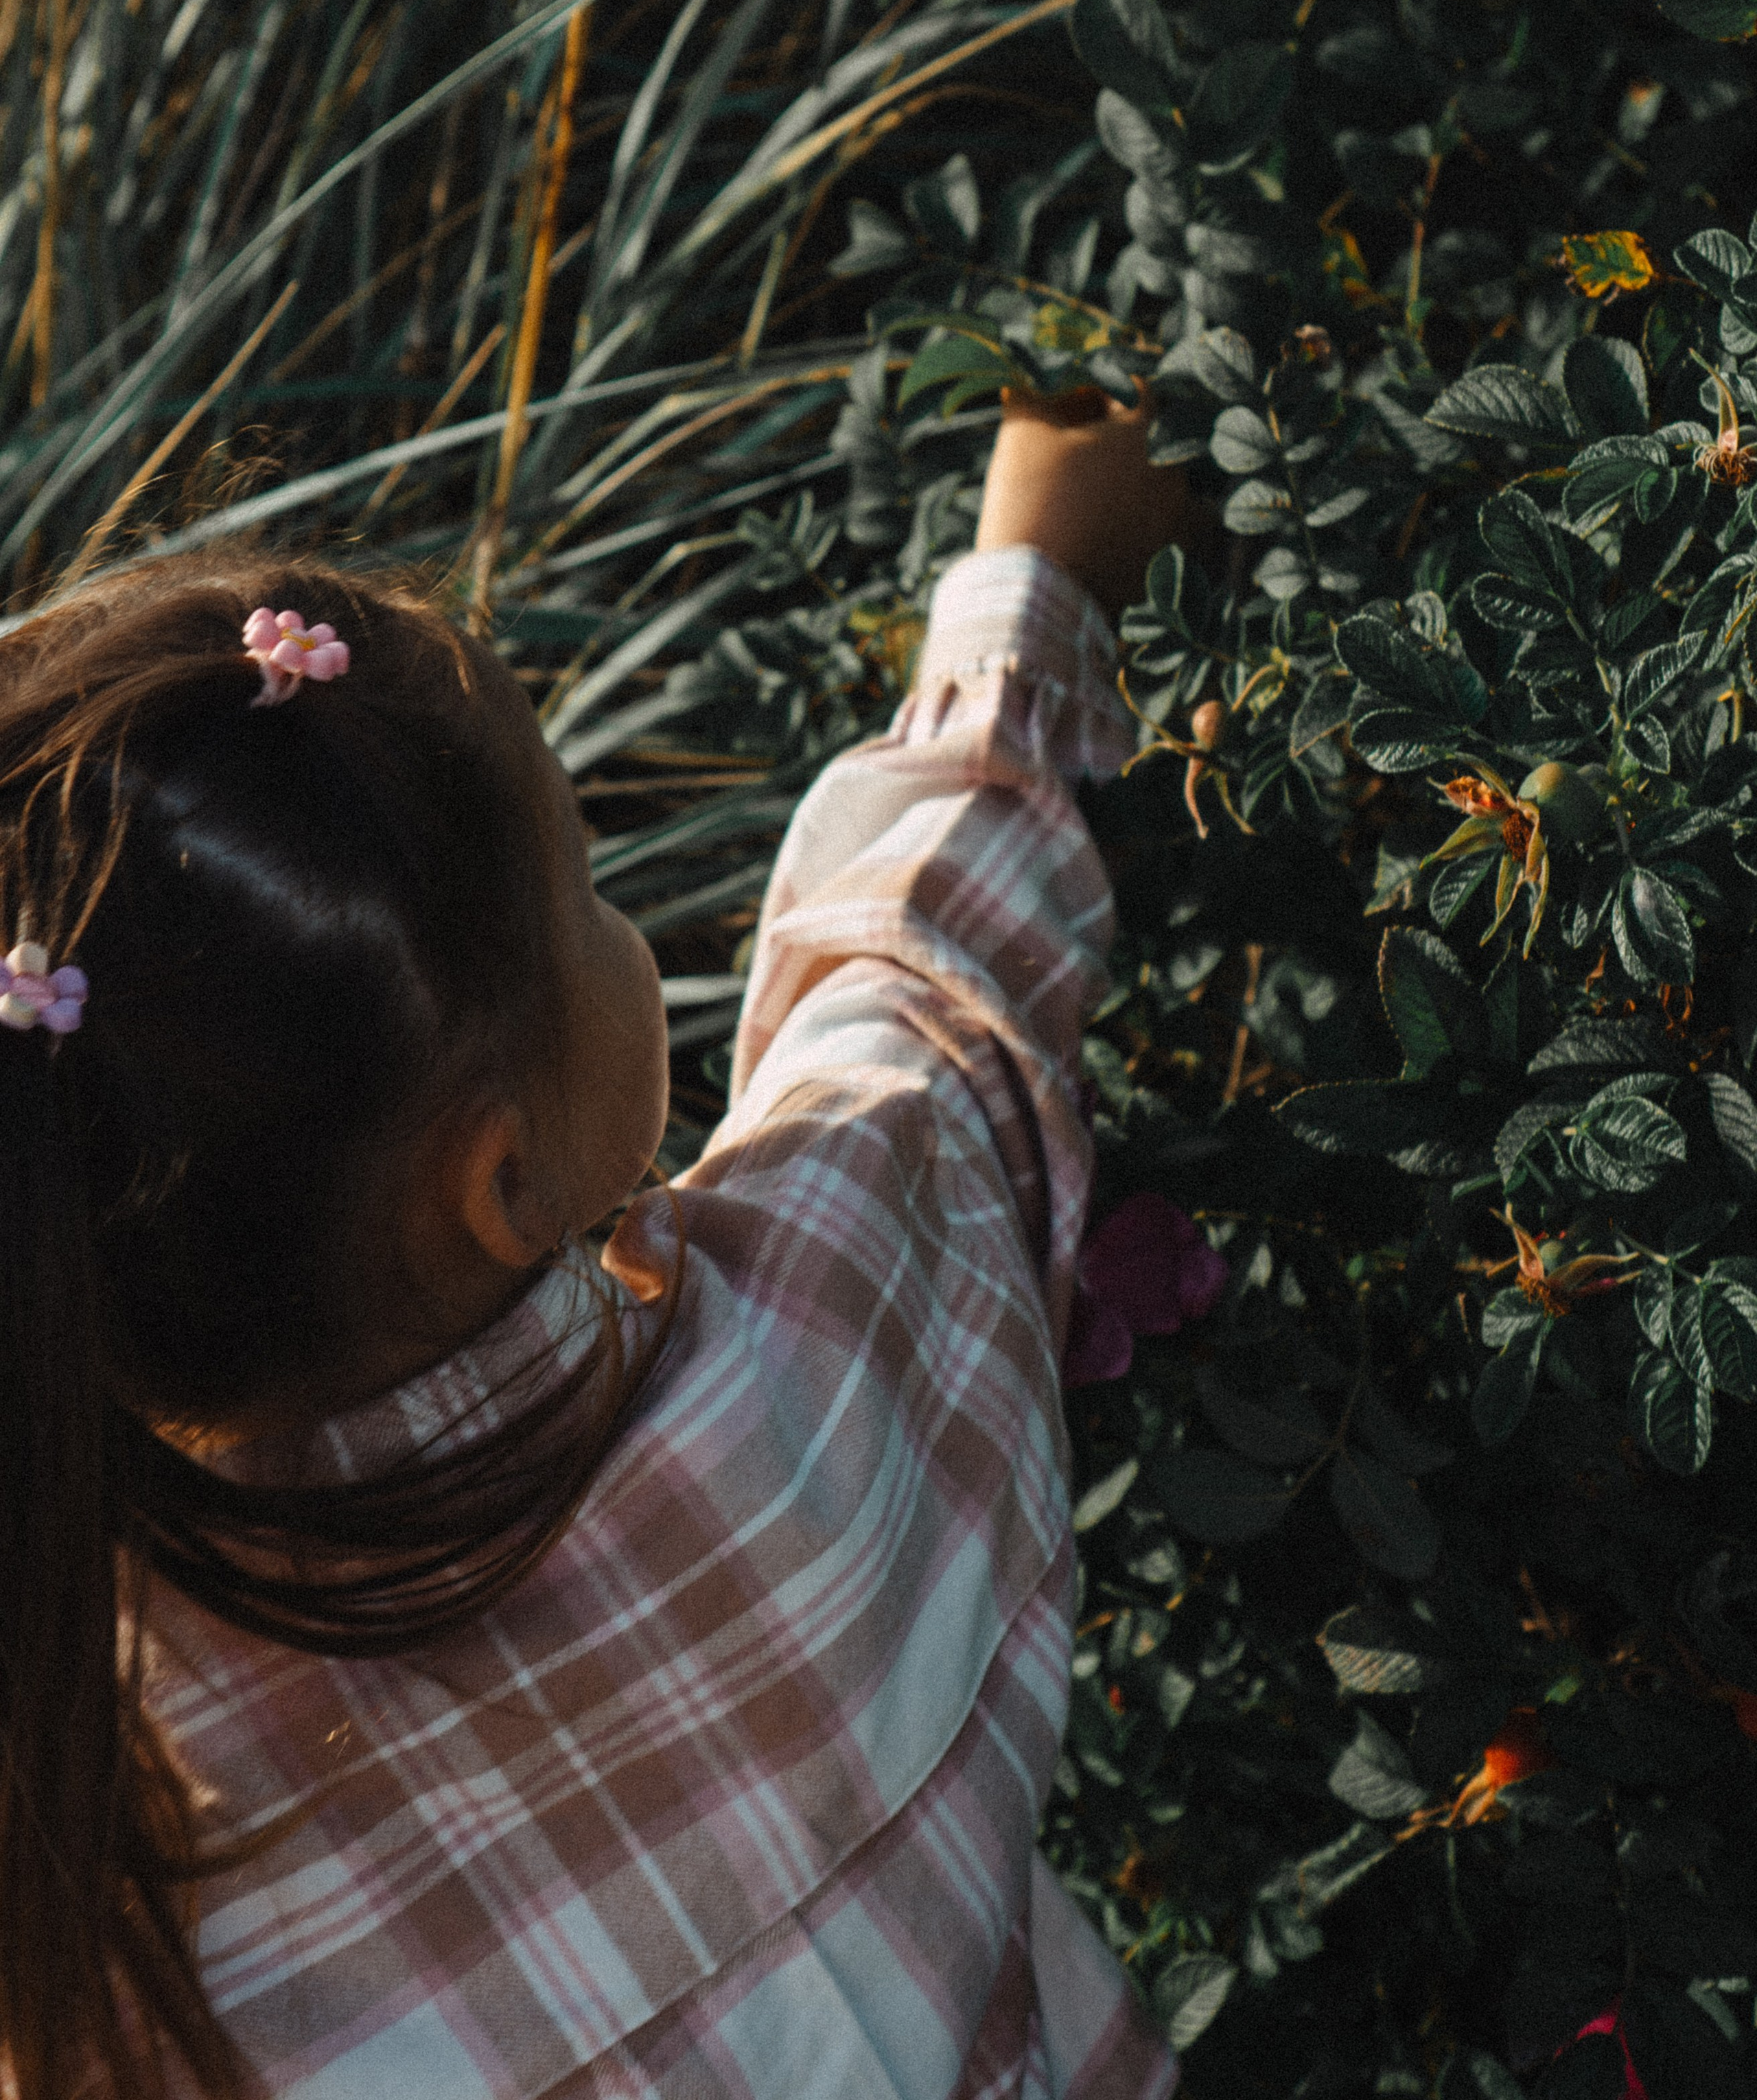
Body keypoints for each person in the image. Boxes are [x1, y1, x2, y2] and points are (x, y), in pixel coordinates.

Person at [0, 382, 1199, 2100]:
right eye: (590, 890)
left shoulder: (91, 1876)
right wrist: (1037, 573)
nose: (621, 925)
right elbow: (919, 996)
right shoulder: (797, 1385)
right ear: (493, 1189)